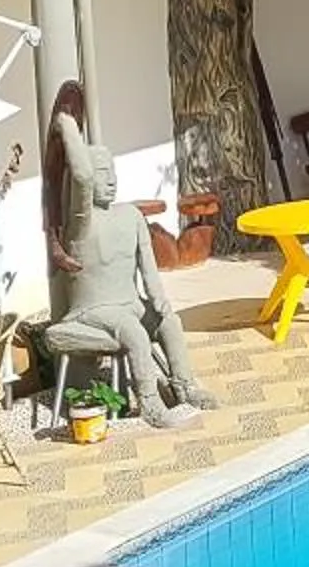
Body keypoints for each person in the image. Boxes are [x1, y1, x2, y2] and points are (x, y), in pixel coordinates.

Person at [41, 82, 211, 426]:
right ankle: (149, 403)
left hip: (129, 302)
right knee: (132, 331)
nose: (110, 180)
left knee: (170, 322)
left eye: (113, 173)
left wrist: (159, 299)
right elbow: (83, 176)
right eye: (104, 174)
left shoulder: (131, 216)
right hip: (93, 309)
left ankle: (184, 386)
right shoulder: (81, 225)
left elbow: (148, 270)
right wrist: (65, 124)